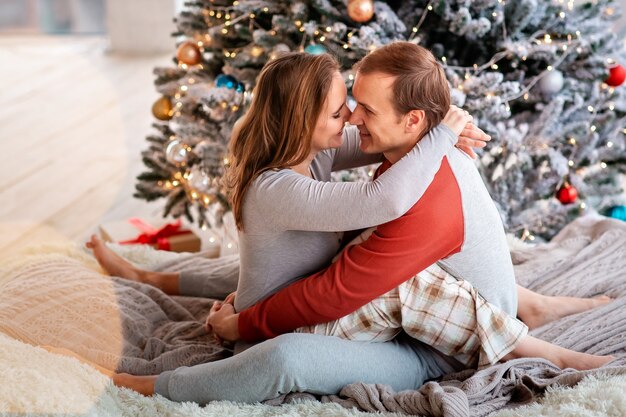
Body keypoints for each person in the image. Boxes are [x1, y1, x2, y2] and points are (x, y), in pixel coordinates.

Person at [76, 47, 610, 404]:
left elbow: (408, 122)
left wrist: (451, 124)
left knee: (252, 271)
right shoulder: (278, 188)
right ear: (302, 121)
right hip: (278, 327)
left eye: (354, 106)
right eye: (340, 110)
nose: (352, 117)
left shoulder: (321, 154)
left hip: (314, 309)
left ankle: (154, 278)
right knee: (396, 284)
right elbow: (388, 196)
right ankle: (148, 382)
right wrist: (445, 134)